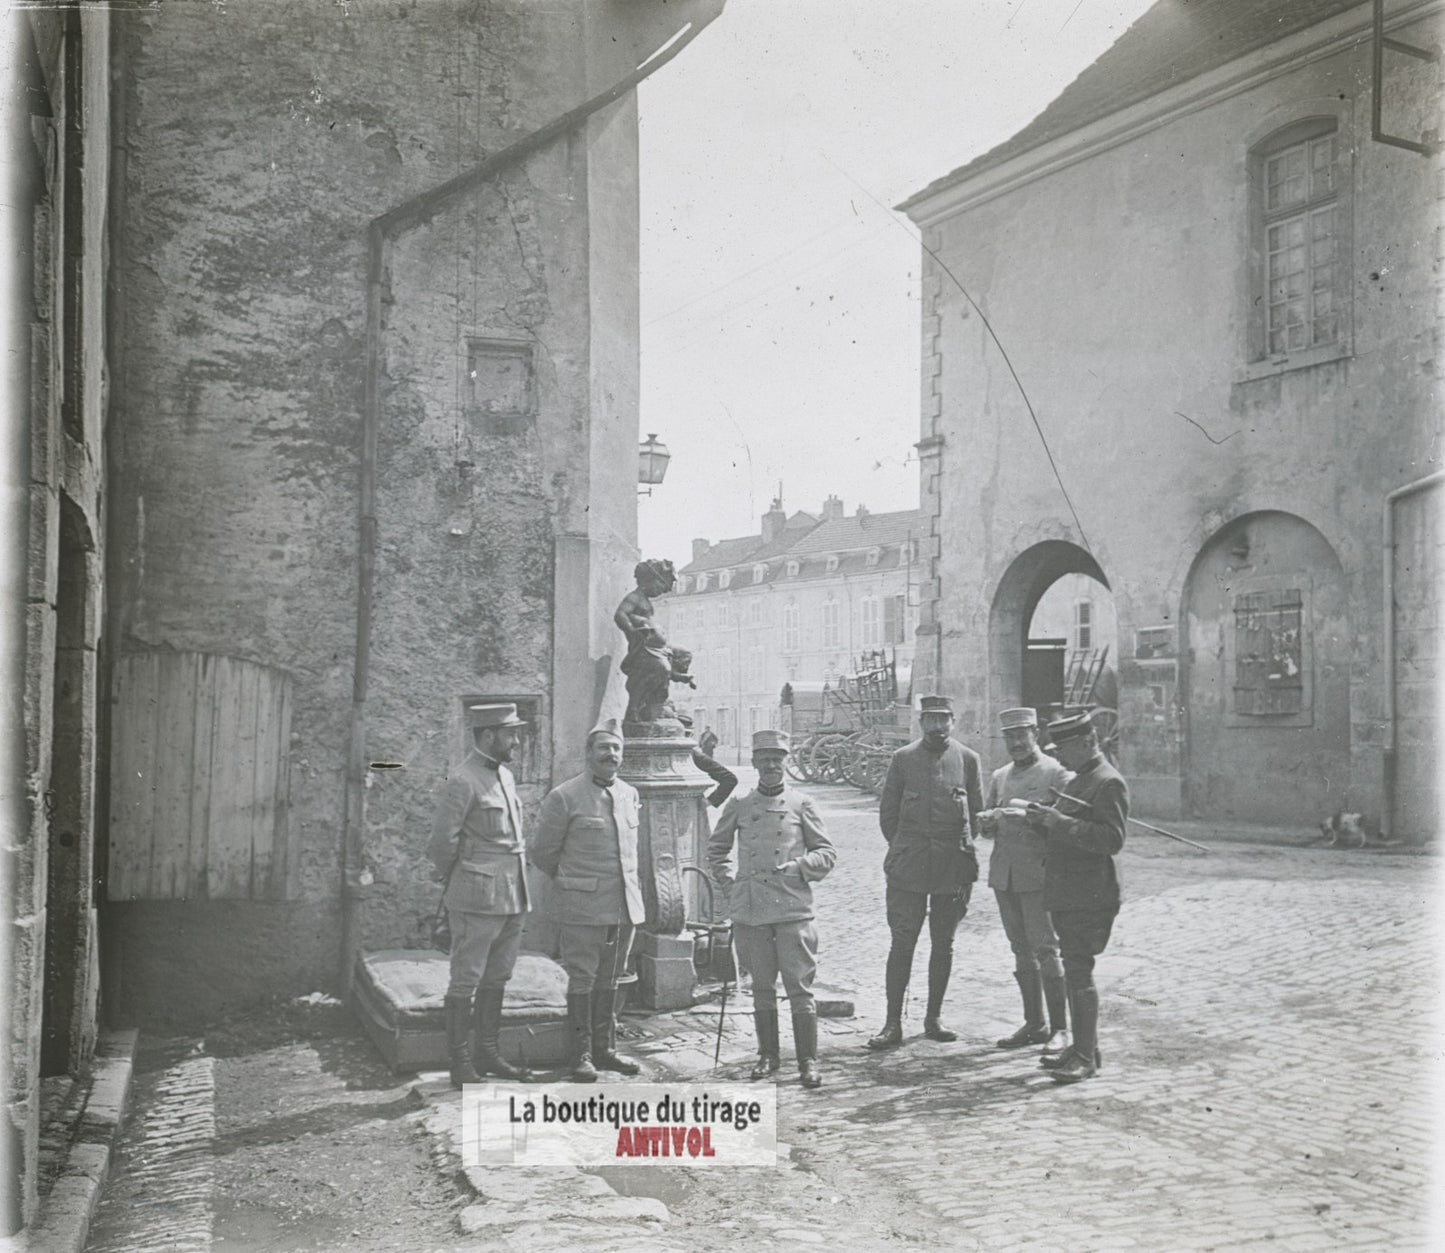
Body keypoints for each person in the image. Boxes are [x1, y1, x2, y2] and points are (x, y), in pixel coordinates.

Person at [708, 731, 836, 1089]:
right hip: (751, 908)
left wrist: (799, 867)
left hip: (792, 906)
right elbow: (716, 851)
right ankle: (768, 1055)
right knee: (762, 985)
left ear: (786, 762)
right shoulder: (739, 805)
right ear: (753, 763)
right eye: (763, 758)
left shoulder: (802, 804)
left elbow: (827, 853)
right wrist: (729, 882)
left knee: (799, 987)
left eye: (776, 758)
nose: (770, 765)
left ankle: (808, 1060)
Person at [530, 719, 645, 1082]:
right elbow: (543, 853)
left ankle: (605, 1049)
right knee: (582, 978)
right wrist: (576, 884)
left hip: (623, 907)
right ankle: (580, 1054)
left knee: (610, 978)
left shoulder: (629, 794)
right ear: (588, 754)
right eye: (603, 748)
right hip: (582, 908)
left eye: (616, 749)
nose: (611, 755)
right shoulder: (564, 796)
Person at [426, 702, 533, 1087]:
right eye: (510, 734)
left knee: (498, 977)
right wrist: (457, 881)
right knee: (465, 979)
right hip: (476, 895)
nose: (516, 741)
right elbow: (441, 842)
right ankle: (460, 1063)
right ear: (488, 736)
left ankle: (488, 1054)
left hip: (512, 893)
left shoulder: (503, 775)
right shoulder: (463, 780)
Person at [868, 695, 983, 1049]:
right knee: (903, 941)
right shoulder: (903, 759)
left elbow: (976, 815)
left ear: (953, 720)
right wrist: (906, 846)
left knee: (943, 944)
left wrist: (953, 848)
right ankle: (892, 1023)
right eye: (930, 719)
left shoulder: (968, 759)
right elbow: (888, 815)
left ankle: (933, 1018)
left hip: (952, 864)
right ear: (921, 723)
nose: (936, 726)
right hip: (909, 865)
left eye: (943, 719)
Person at [1025, 710, 1128, 1084]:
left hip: (1090, 894)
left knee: (1080, 972)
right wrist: (1041, 822)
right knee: (1074, 970)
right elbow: (1067, 834)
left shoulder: (1107, 782)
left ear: (1087, 742)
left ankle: (1084, 1056)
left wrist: (1058, 821)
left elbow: (1111, 839)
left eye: (1065, 748)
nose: (1061, 757)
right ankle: (1085, 1048)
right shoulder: (1080, 779)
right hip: (1069, 892)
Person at [976, 707, 1072, 1054]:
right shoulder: (1000, 776)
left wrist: (1036, 818)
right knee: (1020, 950)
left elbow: (1069, 825)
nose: (1016, 742)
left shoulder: (1056, 774)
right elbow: (987, 828)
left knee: (1046, 949)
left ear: (1036, 733)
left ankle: (1060, 1028)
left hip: (1040, 874)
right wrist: (987, 823)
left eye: (1022, 734)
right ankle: (1034, 1022)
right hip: (1005, 876)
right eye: (1010, 736)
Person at [679, 712, 737, 809]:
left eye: (687, 735)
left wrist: (708, 801)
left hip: (688, 812)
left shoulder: (695, 757)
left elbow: (729, 779)